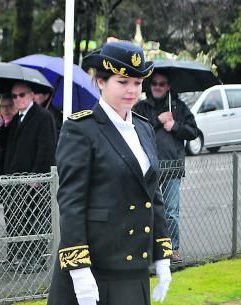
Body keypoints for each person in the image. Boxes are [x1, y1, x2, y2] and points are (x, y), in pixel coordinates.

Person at [47, 41, 172, 305]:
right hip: (95, 268)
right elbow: (71, 202)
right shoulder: (81, 129)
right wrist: (79, 271)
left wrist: (162, 257)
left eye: (137, 83)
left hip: (134, 266)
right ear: (101, 82)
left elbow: (153, 195)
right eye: (123, 81)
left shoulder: (144, 128)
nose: (132, 90)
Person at [134, 70, 198, 264]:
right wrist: (158, 121)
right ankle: (149, 249)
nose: (158, 87)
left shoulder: (179, 107)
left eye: (162, 84)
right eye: (154, 83)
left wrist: (175, 126)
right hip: (148, 167)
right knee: (147, 210)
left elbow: (194, 132)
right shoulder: (142, 107)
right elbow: (135, 129)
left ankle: (172, 249)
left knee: (170, 211)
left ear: (168, 86)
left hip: (172, 166)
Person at [0, 81, 56, 273]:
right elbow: (7, 143)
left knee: (33, 222)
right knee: (18, 221)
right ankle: (20, 257)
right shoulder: (18, 117)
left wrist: (37, 176)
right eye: (14, 96)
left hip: (33, 181)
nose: (17, 99)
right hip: (16, 180)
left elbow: (46, 148)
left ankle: (35, 260)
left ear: (31, 95)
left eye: (22, 95)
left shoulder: (43, 116)